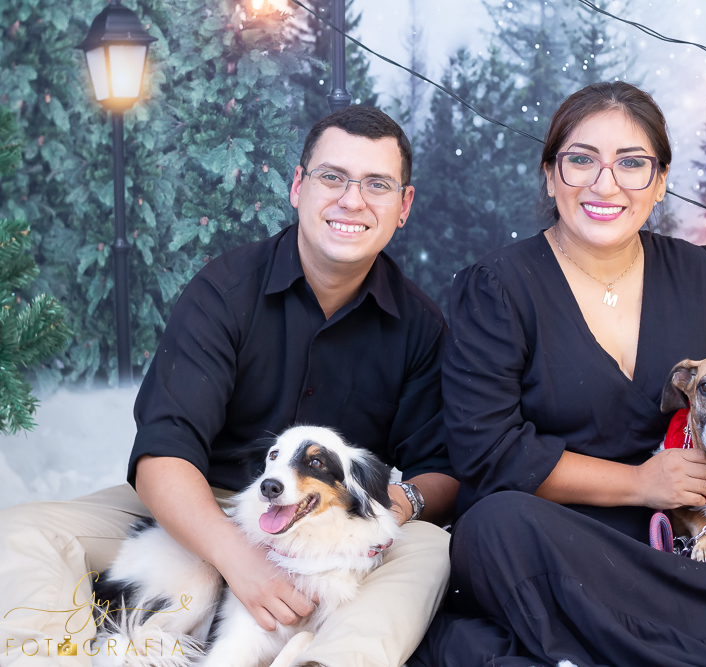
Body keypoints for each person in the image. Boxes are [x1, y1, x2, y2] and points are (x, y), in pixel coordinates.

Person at [411, 82, 706, 667]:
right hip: (561, 537)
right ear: (551, 174)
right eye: (581, 160)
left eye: (632, 164)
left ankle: (578, 647)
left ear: (659, 182)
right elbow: (489, 452)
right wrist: (641, 484)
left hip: (695, 535)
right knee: (492, 532)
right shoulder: (497, 288)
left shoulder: (702, 274)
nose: (605, 185)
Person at [0, 106, 459, 667]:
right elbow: (162, 456)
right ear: (297, 186)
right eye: (332, 177)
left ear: (403, 206)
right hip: (202, 501)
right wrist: (240, 558)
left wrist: (396, 505)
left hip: (329, 526)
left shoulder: (420, 324)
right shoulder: (223, 291)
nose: (352, 200)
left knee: (431, 547)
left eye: (377, 185)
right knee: (22, 530)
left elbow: (441, 468)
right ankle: (47, 657)